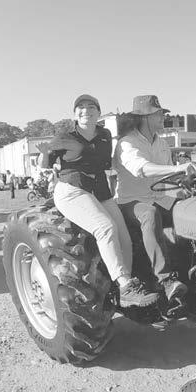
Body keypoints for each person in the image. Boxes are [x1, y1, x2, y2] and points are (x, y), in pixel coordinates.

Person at [36, 94, 158, 308]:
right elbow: (44, 164)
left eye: (91, 107)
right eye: (81, 107)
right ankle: (125, 285)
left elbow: (107, 163)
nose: (86, 110)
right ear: (75, 114)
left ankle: (127, 291)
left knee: (124, 237)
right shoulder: (64, 137)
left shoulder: (105, 135)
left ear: (98, 112)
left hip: (100, 191)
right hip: (73, 190)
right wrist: (44, 154)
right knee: (105, 227)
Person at [114, 95, 196, 302]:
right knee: (149, 214)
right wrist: (177, 168)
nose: (163, 117)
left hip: (160, 198)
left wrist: (185, 180)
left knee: (191, 210)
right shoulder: (127, 143)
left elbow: (167, 177)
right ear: (145, 117)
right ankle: (166, 280)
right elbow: (141, 169)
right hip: (131, 202)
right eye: (158, 114)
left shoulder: (162, 144)